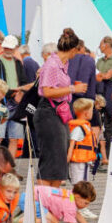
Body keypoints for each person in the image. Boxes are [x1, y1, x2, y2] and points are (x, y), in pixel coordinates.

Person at [35, 29, 86, 186]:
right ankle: (45, 197)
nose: (76, 54)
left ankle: (53, 196)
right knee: (52, 156)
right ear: (72, 50)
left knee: (59, 155)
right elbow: (47, 91)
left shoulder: (63, 63)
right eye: (76, 51)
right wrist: (72, 89)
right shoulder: (52, 65)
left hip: (59, 111)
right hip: (48, 112)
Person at [0, 35, 33, 156]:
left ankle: (9, 167)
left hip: (16, 105)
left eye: (11, 48)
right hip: (2, 104)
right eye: (6, 48)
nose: (8, 50)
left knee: (14, 138)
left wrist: (20, 93)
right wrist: (14, 93)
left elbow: (23, 80)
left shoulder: (17, 62)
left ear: (15, 48)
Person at [68, 98, 97, 184]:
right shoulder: (79, 128)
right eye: (92, 110)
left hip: (84, 162)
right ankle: (74, 198)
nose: (93, 112)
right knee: (79, 185)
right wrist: (67, 159)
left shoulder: (86, 126)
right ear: (86, 113)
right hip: (78, 163)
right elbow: (71, 143)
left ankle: (78, 197)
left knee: (83, 185)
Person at [95, 36, 112, 137]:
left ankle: (108, 146)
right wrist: (102, 75)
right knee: (97, 116)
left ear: (106, 46)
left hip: (109, 87)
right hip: (99, 88)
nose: (99, 47)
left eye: (101, 45)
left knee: (108, 117)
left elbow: (108, 76)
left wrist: (101, 75)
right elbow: (98, 76)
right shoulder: (99, 61)